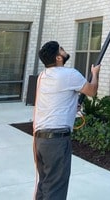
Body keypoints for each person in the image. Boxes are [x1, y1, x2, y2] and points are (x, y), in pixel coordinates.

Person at [33, 40, 101, 200]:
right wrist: (95, 73)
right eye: (61, 50)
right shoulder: (69, 74)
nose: (64, 51)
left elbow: (56, 99)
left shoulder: (42, 76)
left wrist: (71, 106)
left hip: (40, 141)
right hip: (56, 142)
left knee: (44, 185)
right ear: (58, 57)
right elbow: (91, 91)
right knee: (55, 189)